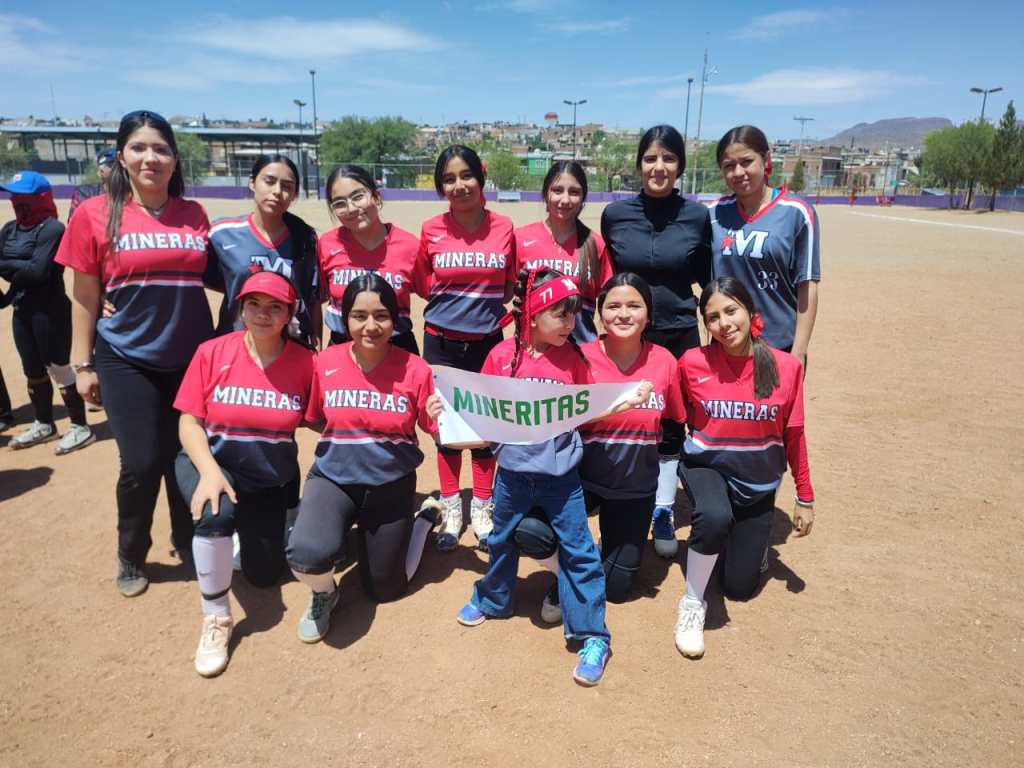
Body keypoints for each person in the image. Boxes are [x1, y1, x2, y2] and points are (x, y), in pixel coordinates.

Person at [455, 267, 650, 687]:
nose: (570, 324)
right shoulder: (501, 357)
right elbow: (480, 411)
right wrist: (446, 413)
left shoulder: (573, 358)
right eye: (560, 315)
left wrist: (622, 402)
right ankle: (493, 599)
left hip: (562, 479)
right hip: (511, 475)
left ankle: (593, 635)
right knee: (500, 540)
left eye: (574, 314)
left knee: (579, 551)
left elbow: (586, 407)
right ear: (534, 314)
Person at [56, 110, 214, 597]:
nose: (152, 157)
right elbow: (84, 296)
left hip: (190, 357)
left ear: (174, 158)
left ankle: (185, 535)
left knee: (183, 458)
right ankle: (131, 550)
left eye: (161, 148)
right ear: (121, 156)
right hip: (126, 357)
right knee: (143, 462)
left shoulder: (194, 214)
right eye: (140, 148)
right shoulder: (94, 214)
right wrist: (81, 365)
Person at [513, 273, 684, 617]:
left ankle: (592, 555)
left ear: (648, 315)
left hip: (633, 488)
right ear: (600, 314)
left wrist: (663, 499)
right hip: (577, 481)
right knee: (530, 531)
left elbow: (673, 429)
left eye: (634, 306)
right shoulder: (578, 356)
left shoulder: (665, 361)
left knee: (617, 591)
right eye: (613, 306)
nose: (623, 314)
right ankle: (570, 571)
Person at [285, 274, 442, 644]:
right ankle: (324, 593)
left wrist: (440, 414)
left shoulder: (416, 369)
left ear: (396, 319)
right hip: (334, 478)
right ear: (344, 318)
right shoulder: (324, 363)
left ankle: (420, 524)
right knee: (307, 553)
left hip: (390, 484)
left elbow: (433, 428)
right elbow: (316, 419)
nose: (370, 326)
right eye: (359, 316)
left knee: (385, 589)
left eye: (381, 316)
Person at [173, 270, 315, 677]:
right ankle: (216, 616)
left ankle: (233, 539)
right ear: (240, 307)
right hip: (211, 460)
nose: (263, 314)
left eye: (275, 307)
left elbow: (325, 416)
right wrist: (210, 472)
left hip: (267, 477)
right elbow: (189, 423)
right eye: (254, 304)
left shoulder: (306, 362)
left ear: (290, 313)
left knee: (265, 574)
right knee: (215, 513)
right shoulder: (213, 351)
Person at [674, 276, 815, 658]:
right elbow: (674, 415)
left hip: (757, 482)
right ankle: (691, 603)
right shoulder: (692, 362)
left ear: (751, 311)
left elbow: (795, 435)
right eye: (713, 317)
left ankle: (752, 541)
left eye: (731, 311)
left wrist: (805, 496)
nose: (724, 323)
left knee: (739, 587)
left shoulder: (786, 367)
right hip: (708, 465)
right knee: (715, 516)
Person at [600, 124, 711, 558]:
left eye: (668, 158)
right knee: (626, 415)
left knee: (670, 424)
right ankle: (616, 492)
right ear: (639, 165)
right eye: (650, 158)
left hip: (678, 332)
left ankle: (663, 507)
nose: (658, 167)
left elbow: (708, 279)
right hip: (628, 334)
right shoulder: (616, 215)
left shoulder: (697, 217)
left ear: (680, 165)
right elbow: (607, 279)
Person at [416, 145, 515, 551]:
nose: (459, 185)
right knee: (446, 430)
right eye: (449, 179)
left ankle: (484, 505)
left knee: (486, 428)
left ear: (481, 176)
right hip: (441, 343)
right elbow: (424, 283)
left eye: (465, 176)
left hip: (487, 344)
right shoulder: (430, 229)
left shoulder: (504, 227)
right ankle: (453, 504)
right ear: (441, 187)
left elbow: (509, 285)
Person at [709, 125, 820, 364]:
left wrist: (798, 352)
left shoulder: (797, 213)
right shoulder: (712, 214)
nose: (738, 172)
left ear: (766, 159)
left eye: (746, 161)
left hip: (779, 346)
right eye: (729, 166)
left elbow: (807, 285)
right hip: (725, 345)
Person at [0, 170, 94, 453]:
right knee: (32, 369)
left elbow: (39, 272)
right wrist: (21, 264)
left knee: (61, 368)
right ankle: (44, 423)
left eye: (24, 197)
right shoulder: (9, 229)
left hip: (51, 311)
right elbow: (22, 269)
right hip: (22, 309)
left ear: (41, 198)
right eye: (14, 196)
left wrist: (11, 264)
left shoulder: (53, 229)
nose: (17, 201)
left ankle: (80, 426)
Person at [206, 155, 320, 350]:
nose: (277, 191)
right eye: (269, 181)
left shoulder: (306, 237)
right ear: (252, 182)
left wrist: (316, 344)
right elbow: (217, 281)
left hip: (293, 347)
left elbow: (312, 300)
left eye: (287, 186)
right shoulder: (221, 234)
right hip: (236, 347)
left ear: (294, 194)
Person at [319, 164, 428, 353]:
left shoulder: (410, 246)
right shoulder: (326, 245)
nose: (351, 208)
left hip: (397, 350)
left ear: (375, 197)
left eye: (358, 196)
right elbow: (315, 300)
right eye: (339, 203)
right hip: (342, 349)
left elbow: (433, 294)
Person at [514, 160, 612, 343]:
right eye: (557, 190)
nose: (565, 200)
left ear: (583, 198)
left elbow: (609, 301)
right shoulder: (521, 238)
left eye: (574, 192)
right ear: (545, 193)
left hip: (581, 354)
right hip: (533, 353)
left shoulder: (595, 244)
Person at [69, 147, 116, 221]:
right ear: (99, 172)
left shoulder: (132, 193)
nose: (117, 169)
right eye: (111, 165)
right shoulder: (85, 192)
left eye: (119, 165)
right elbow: (75, 223)